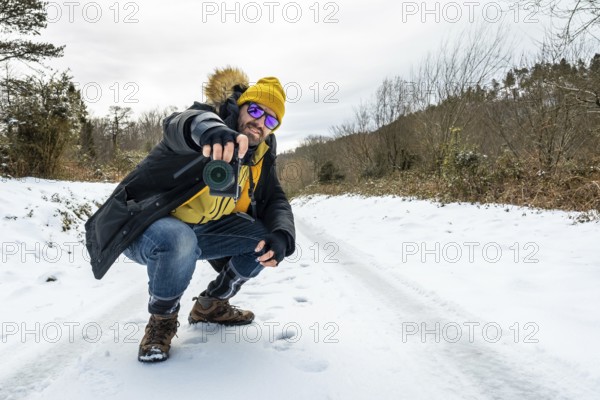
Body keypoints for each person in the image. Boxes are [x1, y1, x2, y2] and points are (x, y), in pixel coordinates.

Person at [84, 67, 296, 363]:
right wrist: (211, 131)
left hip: (203, 233)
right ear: (241, 106)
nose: (260, 122)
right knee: (178, 238)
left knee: (263, 239)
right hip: (145, 229)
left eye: (271, 119)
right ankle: (162, 322)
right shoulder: (208, 121)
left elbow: (274, 198)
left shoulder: (262, 152)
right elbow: (180, 123)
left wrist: (283, 233)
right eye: (256, 110)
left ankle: (213, 303)